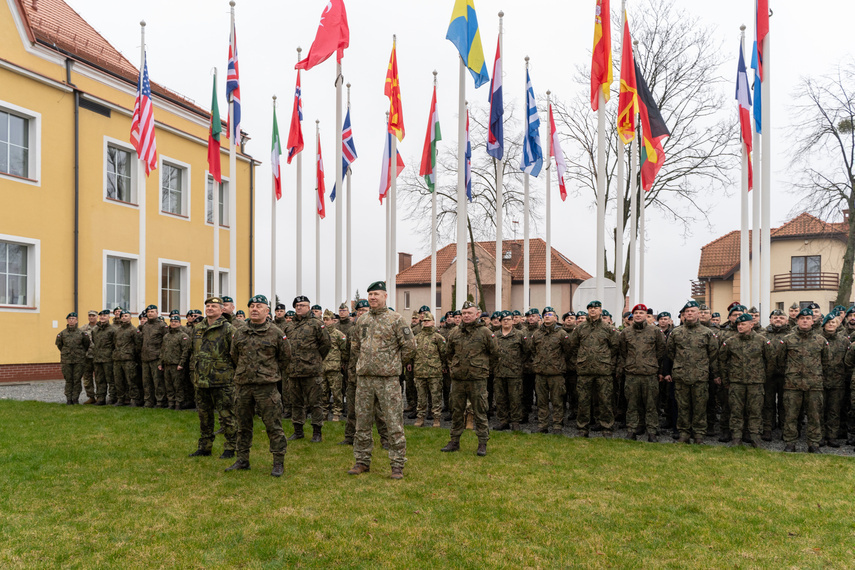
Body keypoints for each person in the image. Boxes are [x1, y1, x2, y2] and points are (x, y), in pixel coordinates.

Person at [348, 281, 415, 479]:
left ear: (385, 296)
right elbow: (356, 345)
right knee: (362, 422)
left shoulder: (396, 319)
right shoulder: (362, 320)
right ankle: (362, 461)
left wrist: (392, 363)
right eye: (370, 294)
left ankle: (397, 464)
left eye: (376, 294)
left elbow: (410, 347)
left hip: (388, 380)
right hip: (365, 380)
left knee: (393, 422)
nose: (372, 298)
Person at [226, 295, 291, 477]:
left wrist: (269, 373)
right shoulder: (239, 332)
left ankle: (278, 462)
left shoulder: (276, 333)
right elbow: (234, 356)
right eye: (252, 306)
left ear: (267, 311)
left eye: (259, 306)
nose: (254, 309)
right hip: (243, 386)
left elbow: (285, 358)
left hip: (266, 387)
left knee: (273, 426)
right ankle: (242, 459)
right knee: (242, 425)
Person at [441, 300, 499, 456]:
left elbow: (495, 353)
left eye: (469, 313)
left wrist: (483, 367)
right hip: (459, 379)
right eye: (464, 313)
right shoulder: (454, 332)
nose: (466, 316)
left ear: (477, 314)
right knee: (456, 410)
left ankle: (482, 443)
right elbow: (448, 353)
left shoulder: (485, 332)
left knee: (480, 411)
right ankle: (454, 441)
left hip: (477, 379)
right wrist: (456, 366)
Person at [188, 297, 237, 459]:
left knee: (227, 416)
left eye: (214, 306)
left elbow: (236, 354)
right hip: (202, 379)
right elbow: (194, 352)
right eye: (208, 306)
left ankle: (230, 447)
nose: (209, 308)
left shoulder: (228, 328)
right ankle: (205, 447)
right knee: (204, 416)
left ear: (221, 309)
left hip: (222, 380)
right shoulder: (198, 328)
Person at [665, 301, 720, 444]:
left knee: (700, 406)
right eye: (687, 311)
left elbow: (713, 354)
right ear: (684, 314)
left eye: (692, 311)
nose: (689, 313)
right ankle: (684, 433)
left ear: (698, 314)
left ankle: (699, 434)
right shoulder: (676, 332)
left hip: (700, 377)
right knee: (682, 406)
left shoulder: (707, 333)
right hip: (681, 376)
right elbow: (670, 352)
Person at [718, 313, 774, 447]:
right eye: (738, 324)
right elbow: (722, 361)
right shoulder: (730, 342)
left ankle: (755, 437)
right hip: (736, 382)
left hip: (756, 383)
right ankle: (736, 438)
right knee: (736, 411)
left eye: (743, 324)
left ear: (751, 324)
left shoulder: (762, 341)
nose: (740, 327)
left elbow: (770, 361)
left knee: (755, 411)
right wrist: (726, 380)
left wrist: (763, 377)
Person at [780, 308, 829, 453]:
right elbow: (780, 361)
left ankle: (813, 444)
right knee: (791, 415)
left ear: (813, 321)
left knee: (815, 415)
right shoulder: (788, 339)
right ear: (797, 321)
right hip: (792, 385)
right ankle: (790, 443)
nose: (805, 321)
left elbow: (826, 362)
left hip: (814, 385)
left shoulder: (821, 340)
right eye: (802, 319)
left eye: (808, 319)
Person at [568, 301, 619, 437]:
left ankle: (606, 427)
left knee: (605, 400)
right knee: (583, 400)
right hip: (584, 371)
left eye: (595, 308)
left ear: (601, 311)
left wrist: (605, 359)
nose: (592, 310)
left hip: (603, 371)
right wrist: (581, 359)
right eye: (590, 308)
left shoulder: (608, 328)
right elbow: (572, 346)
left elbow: (615, 347)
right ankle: (582, 428)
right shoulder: (580, 328)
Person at [285, 296, 331, 442]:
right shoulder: (289, 326)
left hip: (311, 370)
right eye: (297, 305)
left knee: (315, 403)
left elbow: (326, 344)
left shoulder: (316, 324)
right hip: (293, 371)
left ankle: (317, 432)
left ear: (309, 307)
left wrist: (315, 359)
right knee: (296, 402)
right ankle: (298, 431)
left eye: (303, 305)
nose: (299, 308)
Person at [618, 304, 666, 442]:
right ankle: (632, 430)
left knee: (651, 404)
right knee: (632, 404)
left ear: (646, 315)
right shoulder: (626, 332)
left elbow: (661, 350)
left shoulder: (655, 331)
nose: (638, 315)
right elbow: (623, 351)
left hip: (649, 374)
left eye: (641, 312)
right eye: (636, 313)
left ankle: (651, 431)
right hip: (632, 373)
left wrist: (653, 364)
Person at [531, 307, 571, 434]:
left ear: (555, 317)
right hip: (540, 373)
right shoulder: (537, 334)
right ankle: (543, 425)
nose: (547, 316)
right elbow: (532, 350)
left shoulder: (562, 333)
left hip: (556, 373)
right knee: (541, 401)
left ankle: (557, 425)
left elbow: (568, 351)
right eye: (545, 315)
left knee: (557, 400)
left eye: (550, 314)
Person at [493, 311, 530, 431]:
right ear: (500, 321)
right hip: (499, 372)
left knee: (515, 398)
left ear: (512, 320)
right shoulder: (494, 335)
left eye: (508, 319)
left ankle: (515, 422)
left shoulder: (519, 334)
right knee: (500, 398)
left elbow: (527, 351)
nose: (506, 321)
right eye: (503, 319)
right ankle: (503, 421)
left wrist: (518, 364)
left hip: (515, 372)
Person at [411, 311, 447, 428]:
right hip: (420, 371)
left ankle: (436, 419)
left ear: (433, 322)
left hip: (434, 372)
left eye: (428, 320)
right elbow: (412, 353)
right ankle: (420, 418)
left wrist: (444, 367)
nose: (426, 323)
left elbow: (444, 354)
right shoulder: (416, 338)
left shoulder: (438, 338)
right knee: (421, 398)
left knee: (436, 397)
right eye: (424, 321)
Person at [820, 314, 848, 448]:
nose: (831, 324)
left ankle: (832, 436)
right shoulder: (817, 339)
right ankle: (819, 436)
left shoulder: (844, 341)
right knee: (819, 410)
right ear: (823, 324)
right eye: (828, 322)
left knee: (834, 411)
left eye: (833, 322)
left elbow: (848, 361)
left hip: (838, 381)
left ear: (837, 324)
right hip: (819, 381)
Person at [762, 310, 790, 440]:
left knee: (785, 404)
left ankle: (785, 429)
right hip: (768, 375)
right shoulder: (763, 335)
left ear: (786, 320)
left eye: (781, 317)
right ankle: (768, 427)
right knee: (768, 403)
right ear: (770, 320)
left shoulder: (792, 335)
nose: (778, 319)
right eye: (775, 317)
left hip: (787, 376)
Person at [56, 312, 91, 404]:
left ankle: (75, 398)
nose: (71, 320)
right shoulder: (62, 334)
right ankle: (68, 398)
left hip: (79, 360)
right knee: (68, 380)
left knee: (77, 380)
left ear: (76, 321)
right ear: (67, 320)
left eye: (73, 319)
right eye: (70, 319)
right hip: (66, 360)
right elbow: (60, 346)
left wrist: (79, 353)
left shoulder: (82, 333)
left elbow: (86, 345)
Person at [321, 309, 348, 422]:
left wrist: (342, 362)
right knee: (323, 392)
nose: (325, 322)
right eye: (324, 319)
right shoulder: (320, 333)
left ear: (333, 320)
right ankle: (324, 412)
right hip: (322, 367)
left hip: (334, 367)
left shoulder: (338, 335)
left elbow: (345, 350)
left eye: (327, 319)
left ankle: (337, 413)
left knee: (336, 392)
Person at [159, 315, 191, 410]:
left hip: (176, 365)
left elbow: (185, 351)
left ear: (180, 323)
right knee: (168, 386)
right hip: (167, 364)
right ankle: (171, 403)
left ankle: (179, 403)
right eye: (172, 321)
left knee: (178, 386)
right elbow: (163, 350)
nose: (173, 323)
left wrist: (181, 364)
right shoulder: (166, 336)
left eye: (176, 322)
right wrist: (160, 363)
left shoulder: (183, 336)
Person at [140, 304, 168, 408]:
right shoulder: (145, 326)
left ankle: (160, 401)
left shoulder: (162, 326)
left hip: (156, 358)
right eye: (148, 312)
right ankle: (148, 401)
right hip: (145, 358)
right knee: (146, 382)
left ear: (157, 313)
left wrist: (162, 359)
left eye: (152, 312)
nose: (150, 314)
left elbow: (166, 343)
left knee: (158, 382)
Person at [112, 310, 140, 406]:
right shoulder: (117, 331)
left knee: (131, 380)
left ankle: (134, 399)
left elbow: (138, 345)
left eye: (126, 316)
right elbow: (114, 343)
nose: (124, 317)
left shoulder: (134, 330)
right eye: (122, 316)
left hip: (128, 359)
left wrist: (131, 354)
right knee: (118, 381)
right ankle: (121, 399)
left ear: (130, 317)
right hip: (117, 359)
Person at [90, 309, 116, 405]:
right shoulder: (95, 330)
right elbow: (94, 342)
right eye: (101, 316)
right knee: (99, 379)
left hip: (108, 358)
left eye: (104, 316)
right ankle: (101, 398)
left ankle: (112, 398)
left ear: (109, 317)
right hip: (97, 359)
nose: (102, 317)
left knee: (111, 379)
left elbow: (115, 344)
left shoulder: (112, 330)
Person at [79, 310, 98, 404]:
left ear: (97, 317)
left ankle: (100, 397)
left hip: (98, 357)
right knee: (87, 377)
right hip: (86, 357)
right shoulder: (83, 328)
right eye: (90, 316)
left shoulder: (101, 328)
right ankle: (91, 397)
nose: (91, 317)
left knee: (99, 378)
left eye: (93, 316)